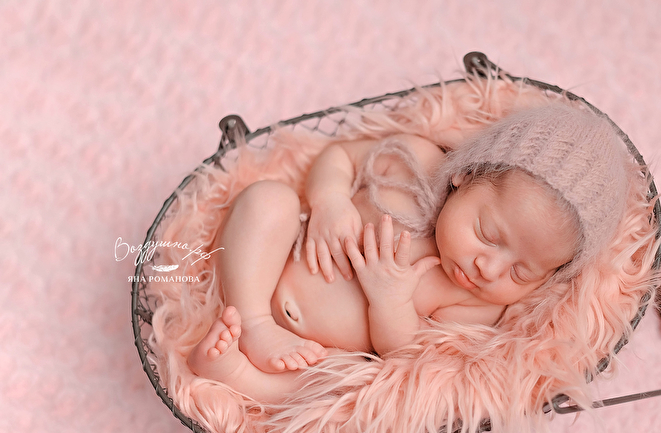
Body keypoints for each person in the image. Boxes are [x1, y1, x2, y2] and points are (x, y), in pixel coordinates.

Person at [187, 103, 629, 402]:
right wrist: (330, 201)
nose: (489, 268)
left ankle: (240, 378)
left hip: (321, 350)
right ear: (465, 175)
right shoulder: (413, 162)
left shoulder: (476, 303)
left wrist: (391, 303)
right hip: (269, 271)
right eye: (487, 234)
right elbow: (339, 156)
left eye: (522, 273)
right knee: (268, 200)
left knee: (357, 384)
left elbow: (405, 355)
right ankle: (253, 320)